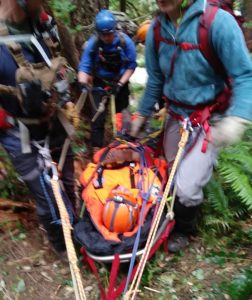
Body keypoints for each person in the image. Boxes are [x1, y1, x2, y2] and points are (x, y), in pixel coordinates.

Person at [0, 0, 80, 256]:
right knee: (49, 199)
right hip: (18, 133)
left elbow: (57, 68)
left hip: (55, 118)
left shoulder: (43, 24)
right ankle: (63, 246)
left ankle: (76, 228)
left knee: (68, 182)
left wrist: (67, 102)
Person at [131, 0, 252, 252]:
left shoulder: (217, 23)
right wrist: (142, 115)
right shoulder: (156, 30)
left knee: (186, 187)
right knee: (172, 173)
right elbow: (155, 79)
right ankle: (176, 208)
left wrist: (238, 118)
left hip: (210, 119)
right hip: (176, 115)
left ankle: (185, 227)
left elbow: (244, 74)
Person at [78, 9, 137, 154]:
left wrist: (120, 84)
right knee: (97, 118)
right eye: (103, 34)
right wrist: (83, 83)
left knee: (122, 116)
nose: (106, 37)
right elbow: (84, 66)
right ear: (98, 33)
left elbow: (131, 66)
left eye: (109, 33)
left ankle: (125, 147)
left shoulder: (125, 42)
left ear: (115, 30)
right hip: (100, 82)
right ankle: (96, 153)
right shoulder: (94, 44)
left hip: (120, 82)